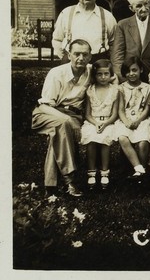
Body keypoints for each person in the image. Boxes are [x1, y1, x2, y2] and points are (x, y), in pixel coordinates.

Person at [31, 39, 93, 197]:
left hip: (73, 115)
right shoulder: (57, 73)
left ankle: (50, 186)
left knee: (57, 135)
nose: (80, 58)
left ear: (90, 57)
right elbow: (45, 106)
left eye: (84, 54)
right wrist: (67, 120)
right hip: (47, 113)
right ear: (69, 55)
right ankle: (69, 180)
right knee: (62, 125)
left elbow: (112, 77)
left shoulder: (91, 71)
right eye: (76, 54)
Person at [52, 0, 117, 63]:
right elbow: (57, 39)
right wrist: (65, 57)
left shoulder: (107, 16)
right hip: (71, 62)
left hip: (98, 62)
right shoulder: (66, 13)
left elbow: (114, 43)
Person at [80, 59, 119, 190]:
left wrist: (105, 123)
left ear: (111, 75)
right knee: (91, 138)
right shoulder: (90, 90)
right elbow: (87, 114)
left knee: (105, 140)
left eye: (106, 74)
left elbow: (114, 114)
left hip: (109, 122)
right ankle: (91, 172)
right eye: (99, 74)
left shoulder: (115, 90)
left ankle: (104, 172)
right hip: (93, 121)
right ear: (94, 76)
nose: (103, 77)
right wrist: (96, 123)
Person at [114, 56, 150, 179]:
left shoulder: (148, 88)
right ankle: (139, 169)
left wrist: (138, 120)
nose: (131, 74)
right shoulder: (121, 88)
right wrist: (126, 121)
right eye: (128, 71)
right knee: (122, 137)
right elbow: (120, 109)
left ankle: (142, 168)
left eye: (134, 70)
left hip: (141, 118)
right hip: (125, 119)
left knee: (143, 142)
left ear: (141, 70)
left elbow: (147, 108)